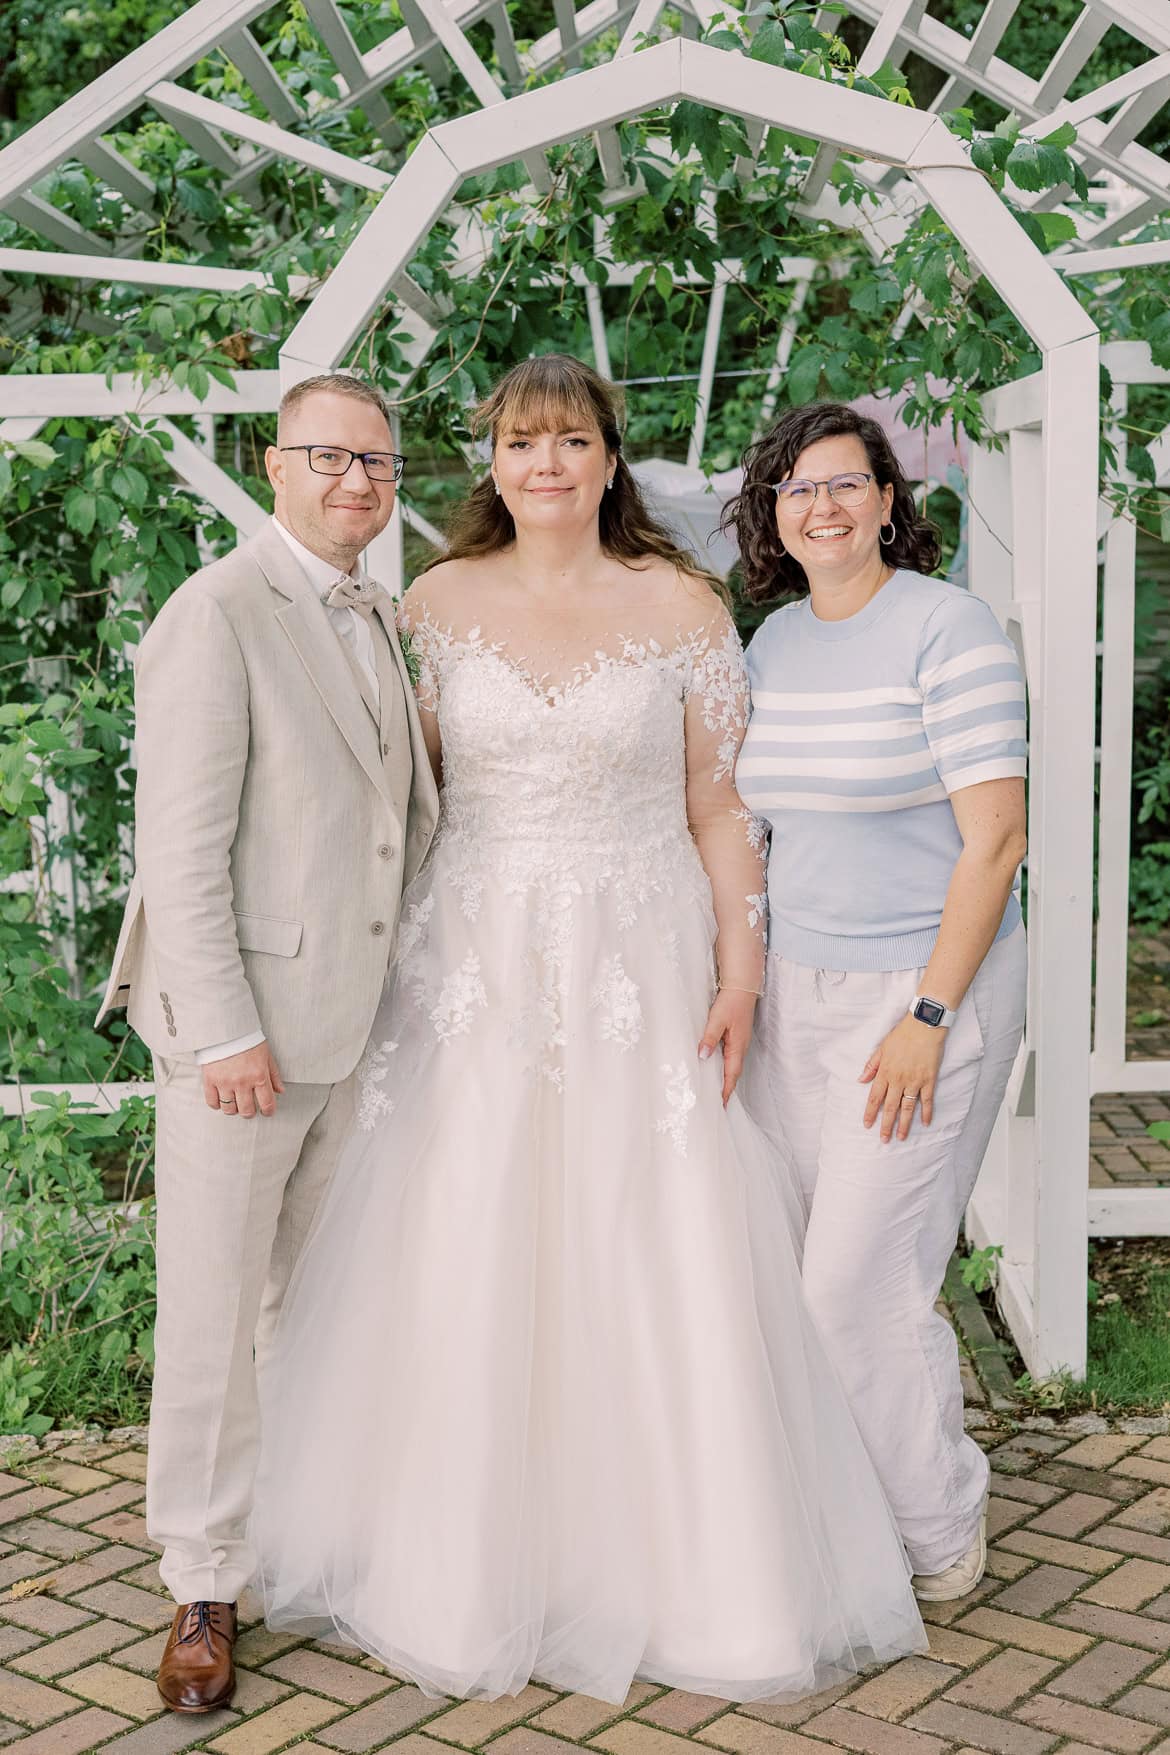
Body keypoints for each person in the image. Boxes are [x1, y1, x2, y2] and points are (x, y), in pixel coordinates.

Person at [249, 354, 925, 1705]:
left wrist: (739, 971)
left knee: (649, 1233)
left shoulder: (679, 604)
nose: (542, 463)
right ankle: (454, 1553)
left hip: (642, 951)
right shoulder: (430, 602)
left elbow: (720, 805)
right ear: (490, 465)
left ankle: (694, 1563)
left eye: (567, 440)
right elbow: (410, 795)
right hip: (475, 960)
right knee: (466, 1222)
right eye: (517, 442)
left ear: (611, 459)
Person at [96, 374, 439, 1713]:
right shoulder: (217, 613)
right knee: (214, 1313)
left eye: (375, 460)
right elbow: (177, 851)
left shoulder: (380, 616)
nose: (356, 480)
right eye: (328, 457)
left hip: (356, 1032)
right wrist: (226, 1029)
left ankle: (292, 1530)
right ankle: (199, 1580)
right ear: (274, 462)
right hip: (243, 1044)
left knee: (316, 1302)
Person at [727, 401, 1028, 1604]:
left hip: (924, 992)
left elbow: (995, 841)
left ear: (891, 502)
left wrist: (929, 1015)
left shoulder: (950, 630)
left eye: (847, 484)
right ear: (774, 517)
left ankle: (941, 1528)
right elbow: (749, 824)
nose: (825, 507)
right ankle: (861, 1497)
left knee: (858, 1281)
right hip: (798, 992)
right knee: (810, 1264)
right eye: (798, 490)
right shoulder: (773, 645)